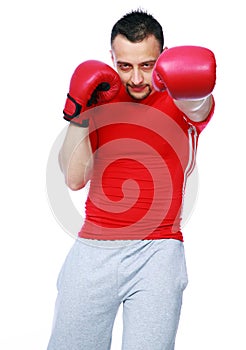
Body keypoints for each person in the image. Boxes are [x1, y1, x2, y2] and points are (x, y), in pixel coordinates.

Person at [47, 9, 216, 350]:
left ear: (165, 60)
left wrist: (194, 83)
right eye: (125, 66)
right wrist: (79, 112)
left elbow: (201, 105)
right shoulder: (102, 96)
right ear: (112, 59)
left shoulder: (181, 100)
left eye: (147, 65)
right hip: (92, 250)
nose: (137, 79)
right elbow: (75, 179)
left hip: (158, 252)